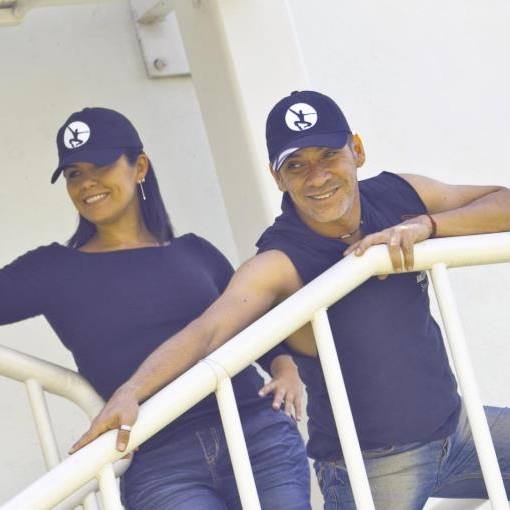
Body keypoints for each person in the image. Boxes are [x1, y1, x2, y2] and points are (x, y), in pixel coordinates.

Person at [71, 92, 510, 510]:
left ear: (357, 150)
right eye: (296, 165)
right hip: (374, 465)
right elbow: (207, 331)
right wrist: (130, 392)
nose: (317, 177)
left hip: (458, 428)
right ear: (277, 177)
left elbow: (502, 201)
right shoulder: (279, 259)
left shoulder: (397, 196)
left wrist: (427, 226)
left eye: (328, 156)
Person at [0, 107, 312, 510]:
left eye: (101, 165)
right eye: (74, 173)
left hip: (254, 432)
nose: (87, 182)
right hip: (160, 461)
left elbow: (251, 325)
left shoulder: (195, 252)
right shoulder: (50, 269)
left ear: (140, 167)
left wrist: (285, 369)